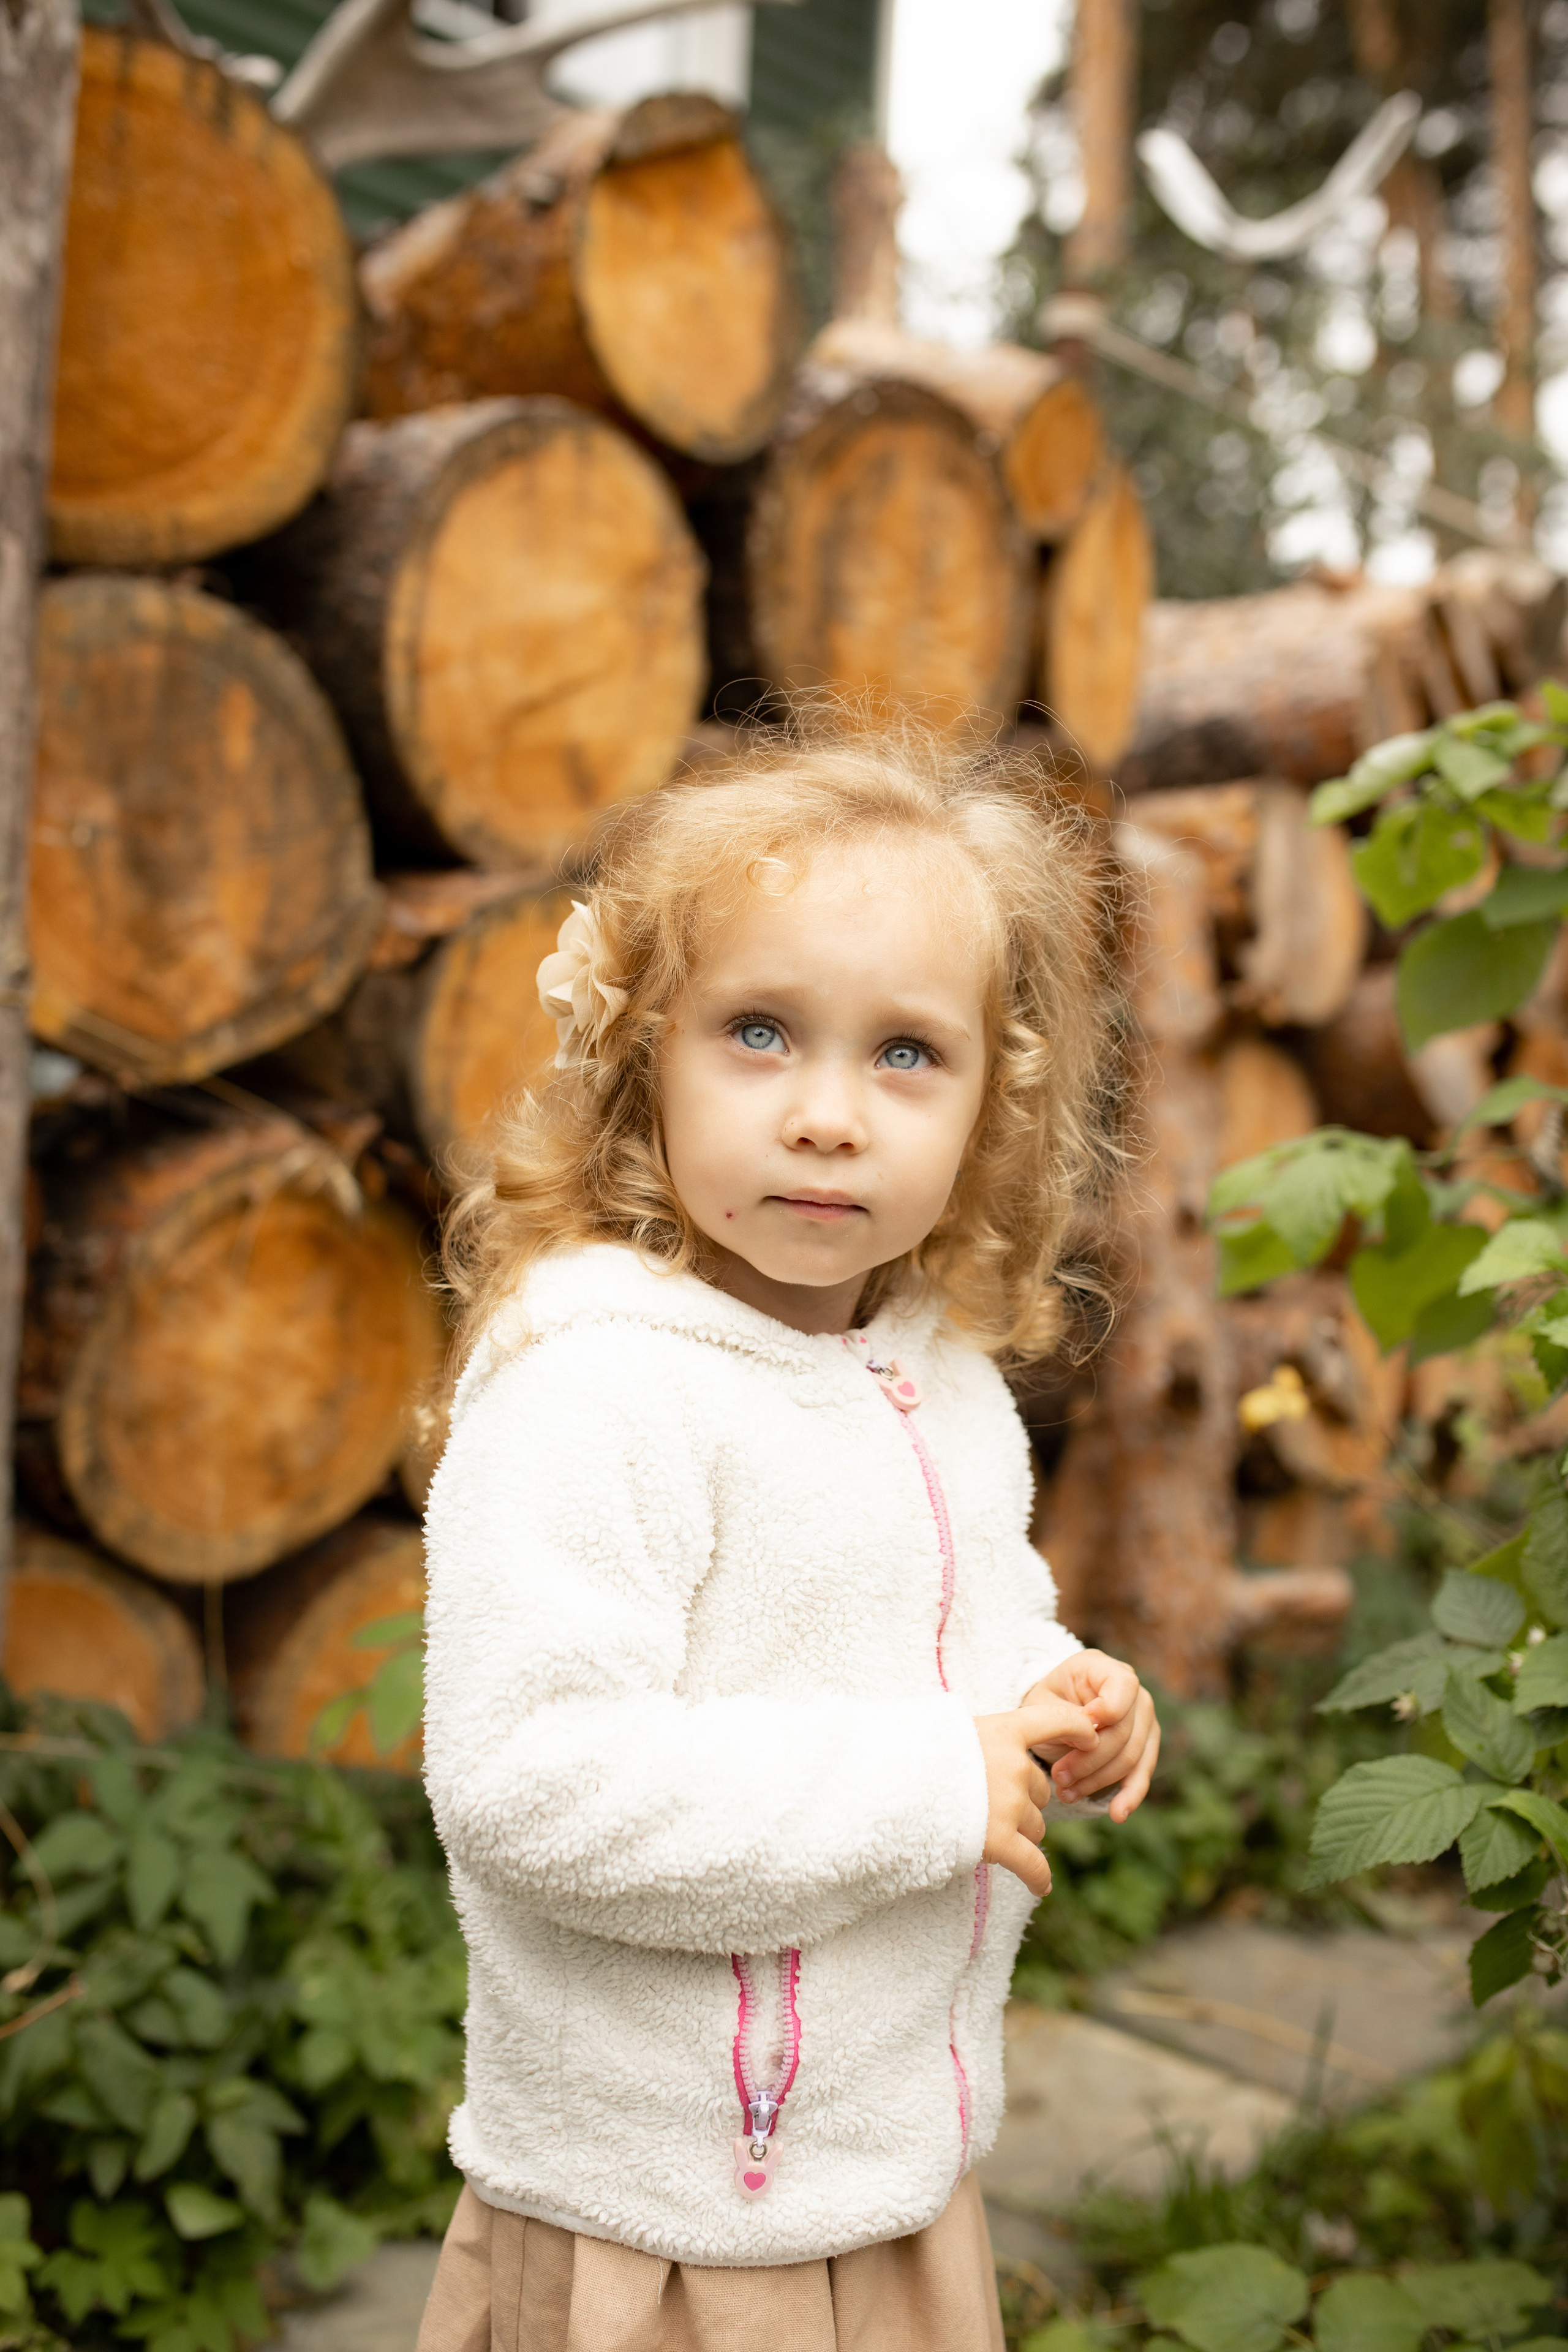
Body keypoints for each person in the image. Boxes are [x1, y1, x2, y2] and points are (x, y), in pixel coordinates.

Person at [416, 714, 1161, 2352]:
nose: (830, 1113)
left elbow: (960, 1637)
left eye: (906, 1052)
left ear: (993, 1098)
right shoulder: (597, 1387)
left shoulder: (937, 1376)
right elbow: (530, 1782)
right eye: (760, 1032)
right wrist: (932, 1784)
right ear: (642, 1059)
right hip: (669, 2228)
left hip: (893, 2180)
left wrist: (1060, 1694)